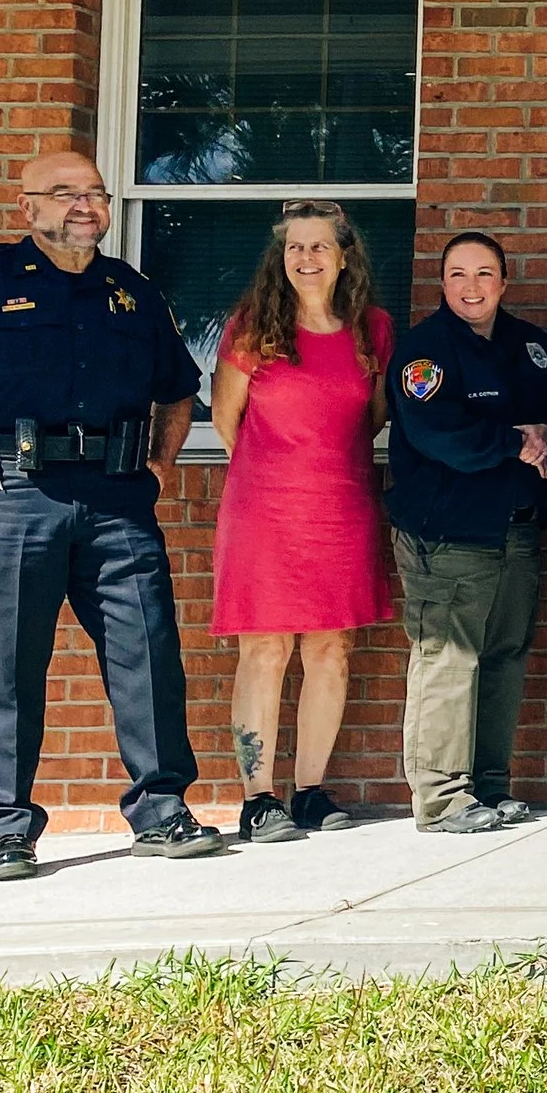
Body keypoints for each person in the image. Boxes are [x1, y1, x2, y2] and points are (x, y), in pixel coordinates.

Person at [0, 150, 220, 880]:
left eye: (96, 194)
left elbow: (177, 388)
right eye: (65, 193)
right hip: (4, 496)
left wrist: (162, 466)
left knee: (149, 654)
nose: (85, 206)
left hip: (116, 499)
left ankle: (162, 810)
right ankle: (6, 828)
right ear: (28, 209)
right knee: (8, 668)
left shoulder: (131, 293)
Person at [209, 201, 395, 842]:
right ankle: (258, 799)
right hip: (264, 509)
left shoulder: (374, 328)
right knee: (264, 648)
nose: (306, 258)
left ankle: (310, 790)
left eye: (319, 247)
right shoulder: (253, 325)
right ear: (280, 258)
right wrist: (276, 471)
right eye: (295, 248)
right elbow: (227, 423)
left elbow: (369, 419)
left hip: (342, 506)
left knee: (331, 649)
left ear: (345, 256)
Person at [385, 231, 547, 834]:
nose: (472, 287)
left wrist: (545, 433)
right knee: (448, 659)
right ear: (443, 283)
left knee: (504, 657)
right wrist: (515, 441)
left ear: (504, 281)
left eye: (484, 274)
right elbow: (442, 435)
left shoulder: (532, 347)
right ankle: (441, 798)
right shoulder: (425, 352)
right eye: (458, 275)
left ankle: (488, 786)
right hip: (449, 532)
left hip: (516, 527)